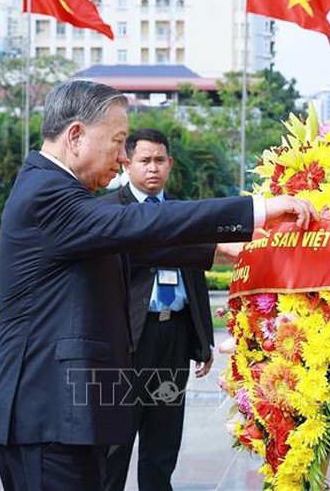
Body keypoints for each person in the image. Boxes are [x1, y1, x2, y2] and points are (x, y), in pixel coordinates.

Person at [0, 79, 315, 491]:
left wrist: (220, 249)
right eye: (118, 142)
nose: (123, 158)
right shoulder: (47, 193)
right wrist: (256, 210)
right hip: (47, 411)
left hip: (61, 411)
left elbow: (132, 246)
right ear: (75, 136)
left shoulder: (58, 191)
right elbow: (136, 223)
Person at [102, 128, 237, 491]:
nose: (153, 169)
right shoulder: (108, 212)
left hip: (172, 336)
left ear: (170, 164)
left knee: (163, 442)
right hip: (126, 340)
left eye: (160, 160)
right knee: (114, 444)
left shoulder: (182, 213)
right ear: (127, 163)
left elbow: (196, 281)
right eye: (144, 161)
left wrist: (202, 339)